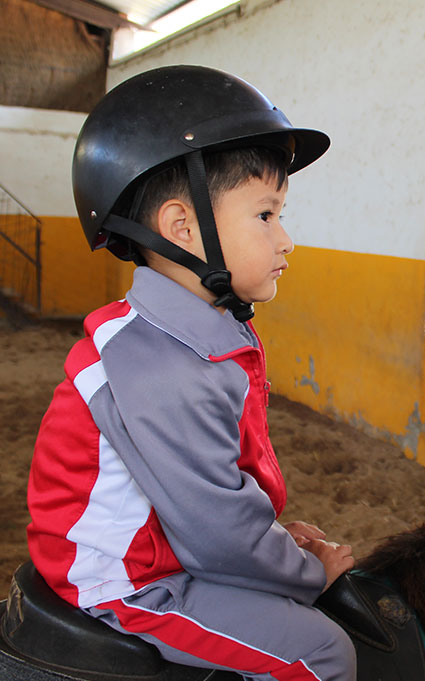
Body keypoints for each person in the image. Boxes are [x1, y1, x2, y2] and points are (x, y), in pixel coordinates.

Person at [25, 65, 356, 681]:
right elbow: (217, 533)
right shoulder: (158, 366)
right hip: (127, 584)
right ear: (183, 227)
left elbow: (212, 494)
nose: (286, 240)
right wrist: (309, 569)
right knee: (323, 652)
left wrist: (276, 541)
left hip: (164, 548)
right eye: (266, 216)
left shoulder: (185, 334)